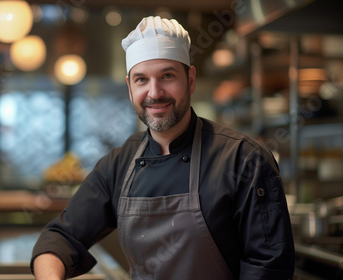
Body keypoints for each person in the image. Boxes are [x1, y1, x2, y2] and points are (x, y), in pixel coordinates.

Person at [31, 16, 294, 279]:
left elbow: (269, 269)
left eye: (167, 76)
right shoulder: (119, 164)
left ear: (190, 79)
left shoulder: (244, 159)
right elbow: (60, 238)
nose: (155, 93)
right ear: (129, 87)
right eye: (141, 80)